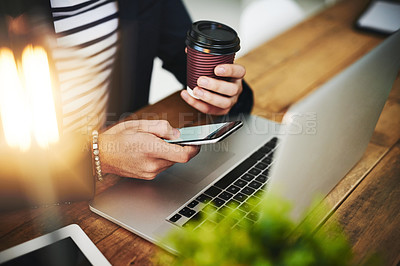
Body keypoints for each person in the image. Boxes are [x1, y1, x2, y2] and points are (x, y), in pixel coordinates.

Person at [0, 0, 254, 180]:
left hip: (123, 184)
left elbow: (186, 57)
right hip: (29, 193)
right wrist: (97, 155)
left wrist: (224, 93)